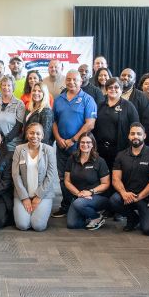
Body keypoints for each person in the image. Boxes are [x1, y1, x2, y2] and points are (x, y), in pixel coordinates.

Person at [52, 71, 98, 218]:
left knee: (79, 177)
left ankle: (80, 205)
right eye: (69, 79)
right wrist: (58, 138)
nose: (71, 82)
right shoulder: (59, 99)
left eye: (75, 80)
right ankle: (66, 205)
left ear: (81, 81)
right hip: (61, 146)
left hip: (80, 147)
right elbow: (54, 122)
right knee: (62, 177)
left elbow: (90, 124)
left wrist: (73, 140)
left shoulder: (88, 99)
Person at [111, 123, 149, 235]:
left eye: (139, 134)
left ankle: (144, 216)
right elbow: (115, 179)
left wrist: (139, 197)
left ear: (144, 136)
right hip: (128, 196)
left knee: (148, 230)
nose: (135, 136)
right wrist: (123, 193)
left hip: (148, 198)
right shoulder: (121, 155)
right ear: (128, 136)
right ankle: (133, 218)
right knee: (114, 200)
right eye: (132, 134)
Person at [12, 122, 58, 231]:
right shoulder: (19, 149)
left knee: (38, 226)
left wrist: (38, 196)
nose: (34, 136)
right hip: (22, 194)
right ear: (27, 134)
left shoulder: (49, 150)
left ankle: (36, 214)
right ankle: (29, 215)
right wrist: (24, 197)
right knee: (22, 225)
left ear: (42, 136)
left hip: (43, 195)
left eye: (38, 133)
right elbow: (15, 174)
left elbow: (51, 175)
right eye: (31, 133)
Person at [64, 131, 112, 230]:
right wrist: (78, 193)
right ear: (79, 144)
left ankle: (97, 217)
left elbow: (106, 184)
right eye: (82, 142)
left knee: (78, 204)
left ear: (93, 144)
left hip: (97, 196)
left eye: (88, 142)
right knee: (72, 224)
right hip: (79, 197)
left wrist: (90, 192)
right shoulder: (72, 159)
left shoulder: (99, 161)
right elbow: (67, 181)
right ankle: (87, 214)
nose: (85, 145)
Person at [92, 78, 138, 170]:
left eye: (116, 87)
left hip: (120, 151)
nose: (113, 89)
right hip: (100, 150)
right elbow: (94, 127)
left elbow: (136, 128)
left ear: (121, 90)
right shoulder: (99, 105)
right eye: (110, 87)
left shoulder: (129, 106)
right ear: (106, 89)